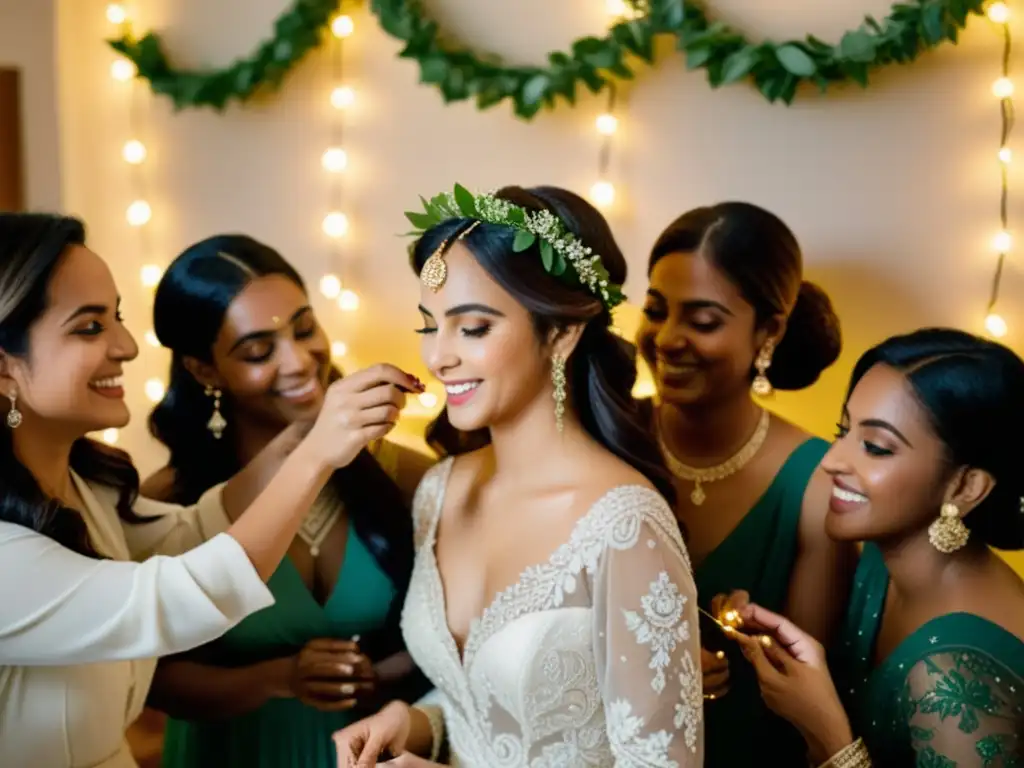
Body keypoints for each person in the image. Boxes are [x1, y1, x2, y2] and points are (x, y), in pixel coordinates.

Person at [0, 213, 421, 768]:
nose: (127, 346)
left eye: (118, 318)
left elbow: (192, 531)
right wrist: (317, 451)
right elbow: (178, 598)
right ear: (5, 368)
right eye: (90, 327)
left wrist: (303, 436)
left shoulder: (86, 489)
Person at [333, 184, 703, 767]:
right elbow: (484, 702)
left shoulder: (626, 525)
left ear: (561, 333)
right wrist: (415, 721)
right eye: (430, 326)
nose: (438, 357)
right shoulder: (440, 490)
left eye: (472, 328)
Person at [135, 234, 433, 768]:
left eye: (304, 329)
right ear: (204, 370)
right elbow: (145, 678)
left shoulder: (400, 475)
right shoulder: (173, 503)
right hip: (230, 753)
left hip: (368, 750)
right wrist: (275, 679)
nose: (298, 362)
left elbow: (462, 629)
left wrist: (384, 673)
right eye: (258, 351)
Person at [730, 328, 1024, 767]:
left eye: (875, 447)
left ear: (965, 486)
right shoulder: (881, 561)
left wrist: (831, 736)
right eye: (842, 430)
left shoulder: (954, 676)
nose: (831, 460)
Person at [636, 202, 856, 764]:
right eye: (657, 310)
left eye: (703, 321)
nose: (667, 338)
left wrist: (743, 651)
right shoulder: (608, 434)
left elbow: (802, 691)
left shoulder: (815, 482)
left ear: (770, 330)